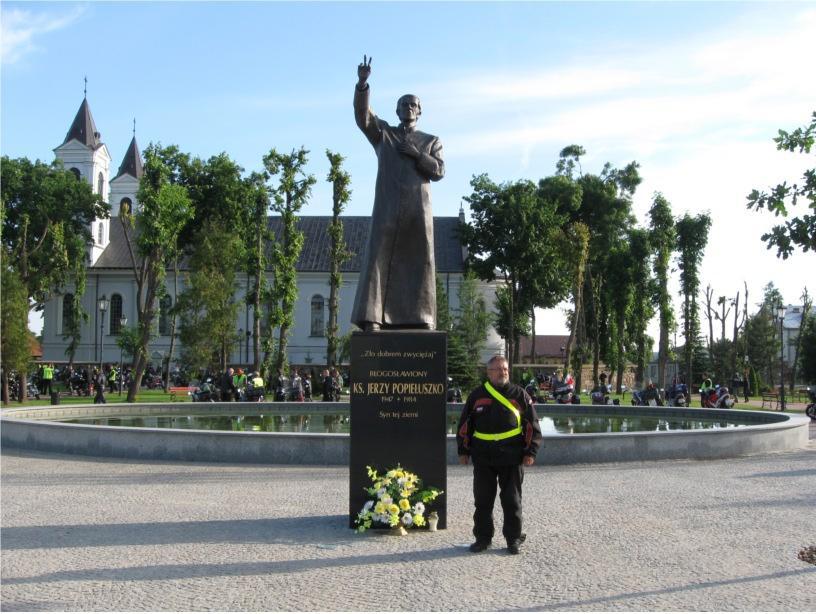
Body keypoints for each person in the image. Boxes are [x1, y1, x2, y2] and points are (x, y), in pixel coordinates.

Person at [350, 55, 445, 332]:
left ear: (420, 111)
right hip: (388, 207)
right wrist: (362, 84)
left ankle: (422, 317)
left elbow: (439, 171)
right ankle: (373, 318)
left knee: (420, 261)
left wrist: (417, 156)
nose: (409, 108)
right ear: (397, 110)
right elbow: (363, 117)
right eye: (404, 104)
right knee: (377, 258)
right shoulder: (384, 135)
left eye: (413, 104)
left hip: (418, 209)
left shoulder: (430, 140)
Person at [457, 355, 542, 555]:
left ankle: (513, 539)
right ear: (489, 373)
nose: (503, 372)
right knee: (483, 500)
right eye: (498, 369)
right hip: (483, 456)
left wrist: (531, 451)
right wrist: (463, 450)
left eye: (505, 369)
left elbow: (532, 426)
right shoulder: (476, 395)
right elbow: (464, 426)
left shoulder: (519, 395)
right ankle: (483, 538)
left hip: (511, 456)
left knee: (512, 500)